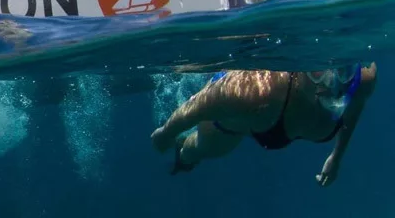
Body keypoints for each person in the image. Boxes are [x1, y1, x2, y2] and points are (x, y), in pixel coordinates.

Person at [150, 62, 377, 187]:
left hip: (263, 117)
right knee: (197, 150)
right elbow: (200, 105)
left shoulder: (360, 83)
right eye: (319, 71)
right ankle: (184, 156)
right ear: (301, 67)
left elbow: (353, 110)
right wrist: (166, 132)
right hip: (234, 121)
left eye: (342, 70)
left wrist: (336, 157)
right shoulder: (258, 90)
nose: (330, 83)